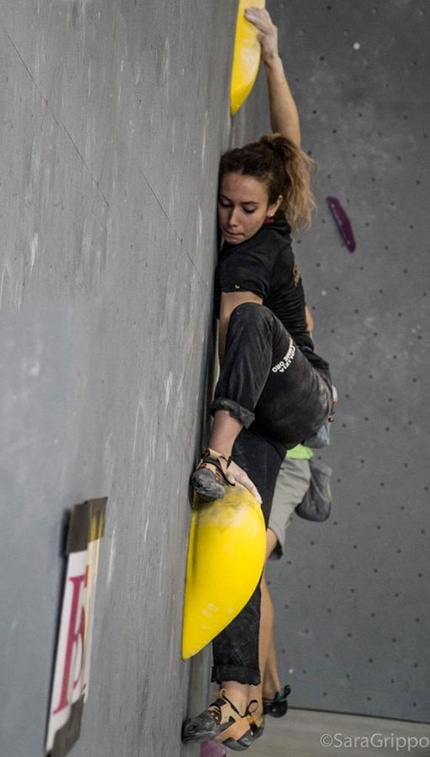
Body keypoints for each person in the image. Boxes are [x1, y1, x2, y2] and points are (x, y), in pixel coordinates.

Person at [183, 7, 333, 750]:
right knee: (233, 532)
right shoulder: (267, 211)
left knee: (247, 325)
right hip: (267, 413)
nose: (233, 218)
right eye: (224, 205)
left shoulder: (259, 251)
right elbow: (289, 147)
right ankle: (235, 698)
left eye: (248, 207)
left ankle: (215, 454)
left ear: (271, 208)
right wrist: (273, 57)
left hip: (303, 392)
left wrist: (227, 454)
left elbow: (232, 333)